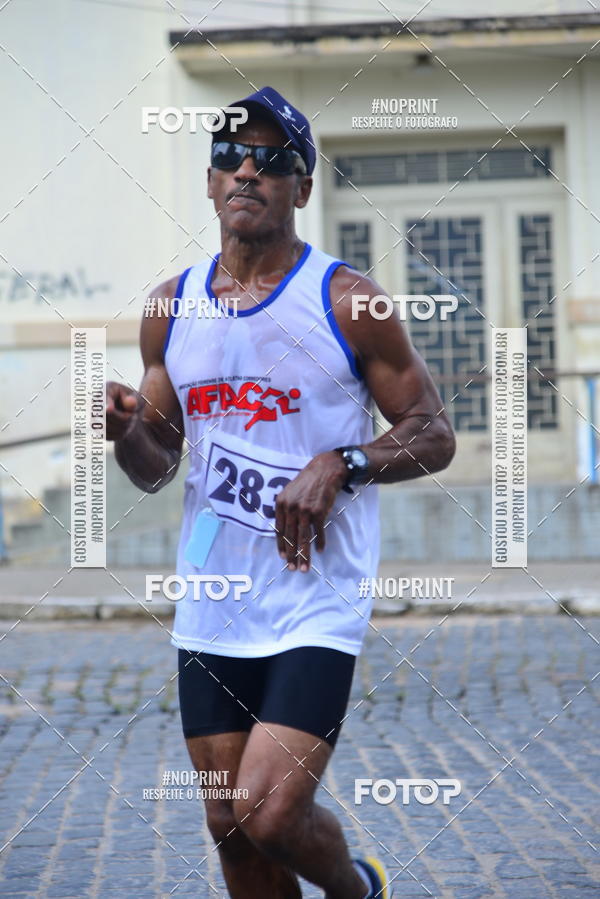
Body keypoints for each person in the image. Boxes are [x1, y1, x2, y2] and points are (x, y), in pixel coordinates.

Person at [106, 86, 455, 899]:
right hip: (213, 597)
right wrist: (129, 428)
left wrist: (347, 462)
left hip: (314, 598)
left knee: (268, 811)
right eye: (231, 156)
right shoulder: (170, 307)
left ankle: (358, 887)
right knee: (230, 829)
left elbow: (433, 431)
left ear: (302, 187)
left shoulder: (347, 299)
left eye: (274, 160)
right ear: (209, 181)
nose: (247, 170)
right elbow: (157, 465)